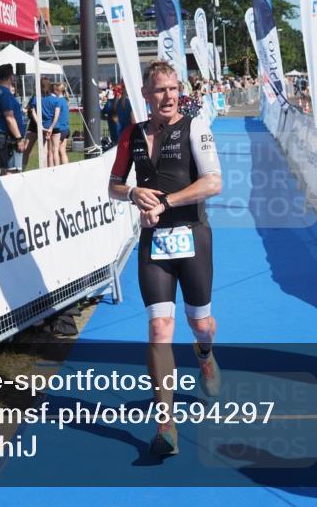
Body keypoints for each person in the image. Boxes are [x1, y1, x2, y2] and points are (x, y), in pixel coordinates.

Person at [108, 61, 223, 457]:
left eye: (174, 89)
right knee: (159, 327)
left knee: (201, 324)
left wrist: (167, 202)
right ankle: (165, 424)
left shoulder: (195, 127)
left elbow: (214, 182)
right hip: (153, 243)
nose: (169, 96)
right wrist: (132, 194)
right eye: (160, 90)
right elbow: (113, 185)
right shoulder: (132, 134)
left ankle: (205, 354)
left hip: (192, 237)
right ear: (145, 95)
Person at [0, 64, 26, 176]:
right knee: (11, 171)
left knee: (6, 169)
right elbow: (9, 118)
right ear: (11, 77)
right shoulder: (4, 93)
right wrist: (19, 139)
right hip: (6, 136)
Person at [47, 81, 71, 166]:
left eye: (54, 90)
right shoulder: (65, 100)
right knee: (62, 151)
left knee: (54, 151)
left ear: (57, 91)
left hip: (60, 130)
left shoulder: (58, 101)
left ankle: (54, 170)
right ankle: (66, 170)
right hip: (66, 129)